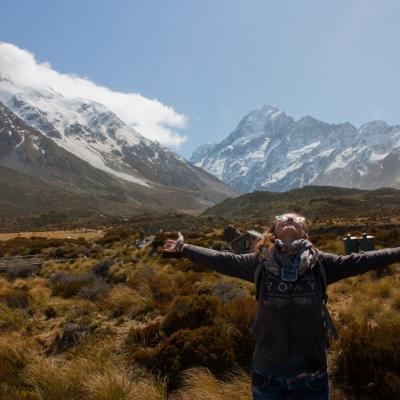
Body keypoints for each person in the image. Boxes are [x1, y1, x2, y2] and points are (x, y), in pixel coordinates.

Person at [162, 213, 400, 400]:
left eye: (296, 219)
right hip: (267, 377)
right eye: (282, 219)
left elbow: (363, 260)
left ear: (304, 231)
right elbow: (222, 260)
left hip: (312, 377)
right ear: (273, 231)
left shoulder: (321, 263)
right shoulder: (259, 262)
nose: (288, 220)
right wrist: (184, 248)